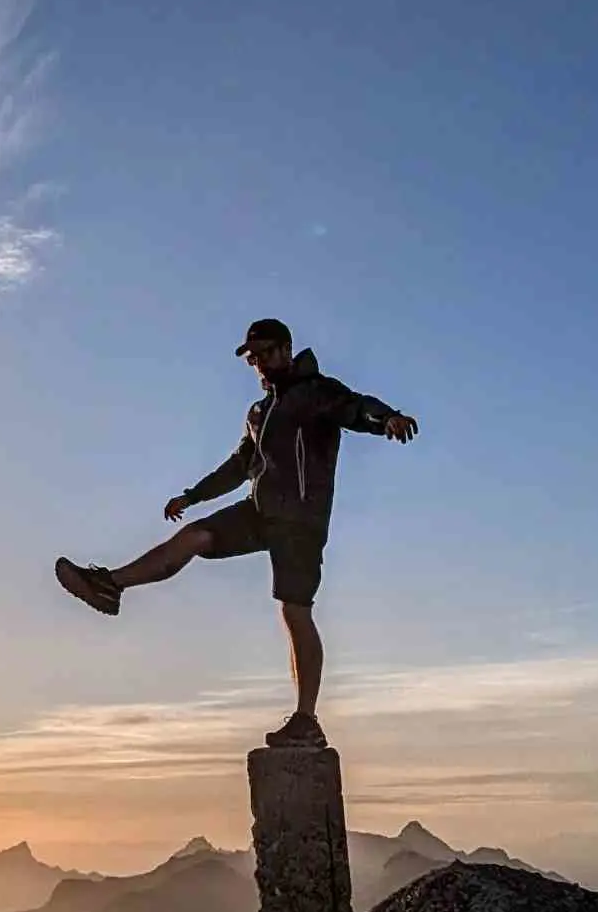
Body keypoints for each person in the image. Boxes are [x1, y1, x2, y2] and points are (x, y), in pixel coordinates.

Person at [54, 318, 418, 749]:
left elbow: (356, 408)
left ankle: (306, 720)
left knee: (295, 611)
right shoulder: (260, 413)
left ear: (286, 350)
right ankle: (110, 586)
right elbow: (239, 466)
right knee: (194, 536)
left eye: (264, 354)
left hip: (300, 521)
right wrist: (193, 495)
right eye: (252, 358)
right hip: (259, 512)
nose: (258, 363)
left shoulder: (315, 392)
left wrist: (387, 418)